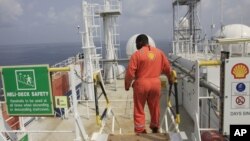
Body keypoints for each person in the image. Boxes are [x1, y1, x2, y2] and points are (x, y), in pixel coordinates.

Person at [125, 34, 172, 134]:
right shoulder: (159, 53)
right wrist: (170, 78)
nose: (136, 45)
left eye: (137, 43)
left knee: (139, 108)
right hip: (156, 84)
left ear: (141, 42)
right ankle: (155, 127)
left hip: (141, 84)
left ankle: (140, 130)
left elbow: (130, 73)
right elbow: (167, 68)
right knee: (155, 107)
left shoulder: (137, 55)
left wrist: (127, 85)